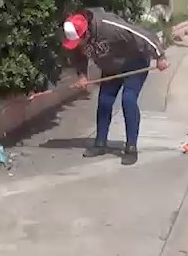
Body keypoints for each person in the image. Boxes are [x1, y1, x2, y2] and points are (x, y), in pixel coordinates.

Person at [62, 8, 169, 165]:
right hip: (111, 66)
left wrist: (160, 56)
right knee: (104, 101)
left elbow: (142, 34)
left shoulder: (108, 26)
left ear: (86, 33)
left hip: (135, 62)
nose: (78, 45)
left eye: (79, 41)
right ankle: (100, 143)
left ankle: (131, 146)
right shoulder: (77, 37)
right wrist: (82, 76)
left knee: (128, 99)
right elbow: (78, 56)